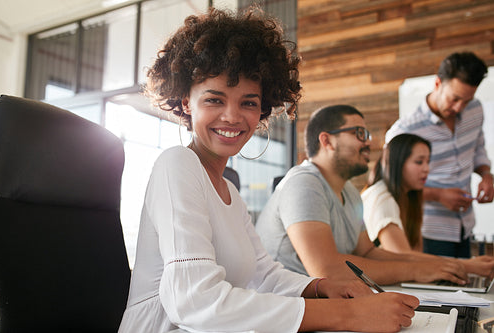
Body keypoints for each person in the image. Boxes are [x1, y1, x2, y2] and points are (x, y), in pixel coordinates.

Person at [118, 7, 419, 333]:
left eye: (248, 102)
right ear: (187, 103)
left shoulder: (229, 190)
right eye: (214, 100)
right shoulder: (176, 164)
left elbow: (261, 272)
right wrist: (349, 316)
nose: (232, 117)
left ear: (262, 110)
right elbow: (194, 301)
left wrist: (318, 288)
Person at [255, 104, 470, 286]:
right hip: (286, 313)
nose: (368, 143)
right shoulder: (303, 183)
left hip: (321, 305)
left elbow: (367, 252)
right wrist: (416, 272)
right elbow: (327, 271)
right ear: (327, 141)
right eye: (360, 134)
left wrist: (432, 266)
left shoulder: (351, 192)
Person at [385, 52, 493, 258]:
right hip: (428, 232)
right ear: (437, 83)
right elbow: (392, 184)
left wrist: (486, 175)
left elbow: (478, 148)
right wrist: (438, 195)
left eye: (467, 100)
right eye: (454, 99)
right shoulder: (405, 130)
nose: (459, 107)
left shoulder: (475, 109)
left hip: (466, 227)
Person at [362, 133, 494, 276]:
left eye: (428, 162)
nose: (426, 169)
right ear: (397, 163)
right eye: (419, 162)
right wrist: (465, 265)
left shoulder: (410, 196)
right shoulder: (382, 198)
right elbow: (401, 256)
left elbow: (414, 252)